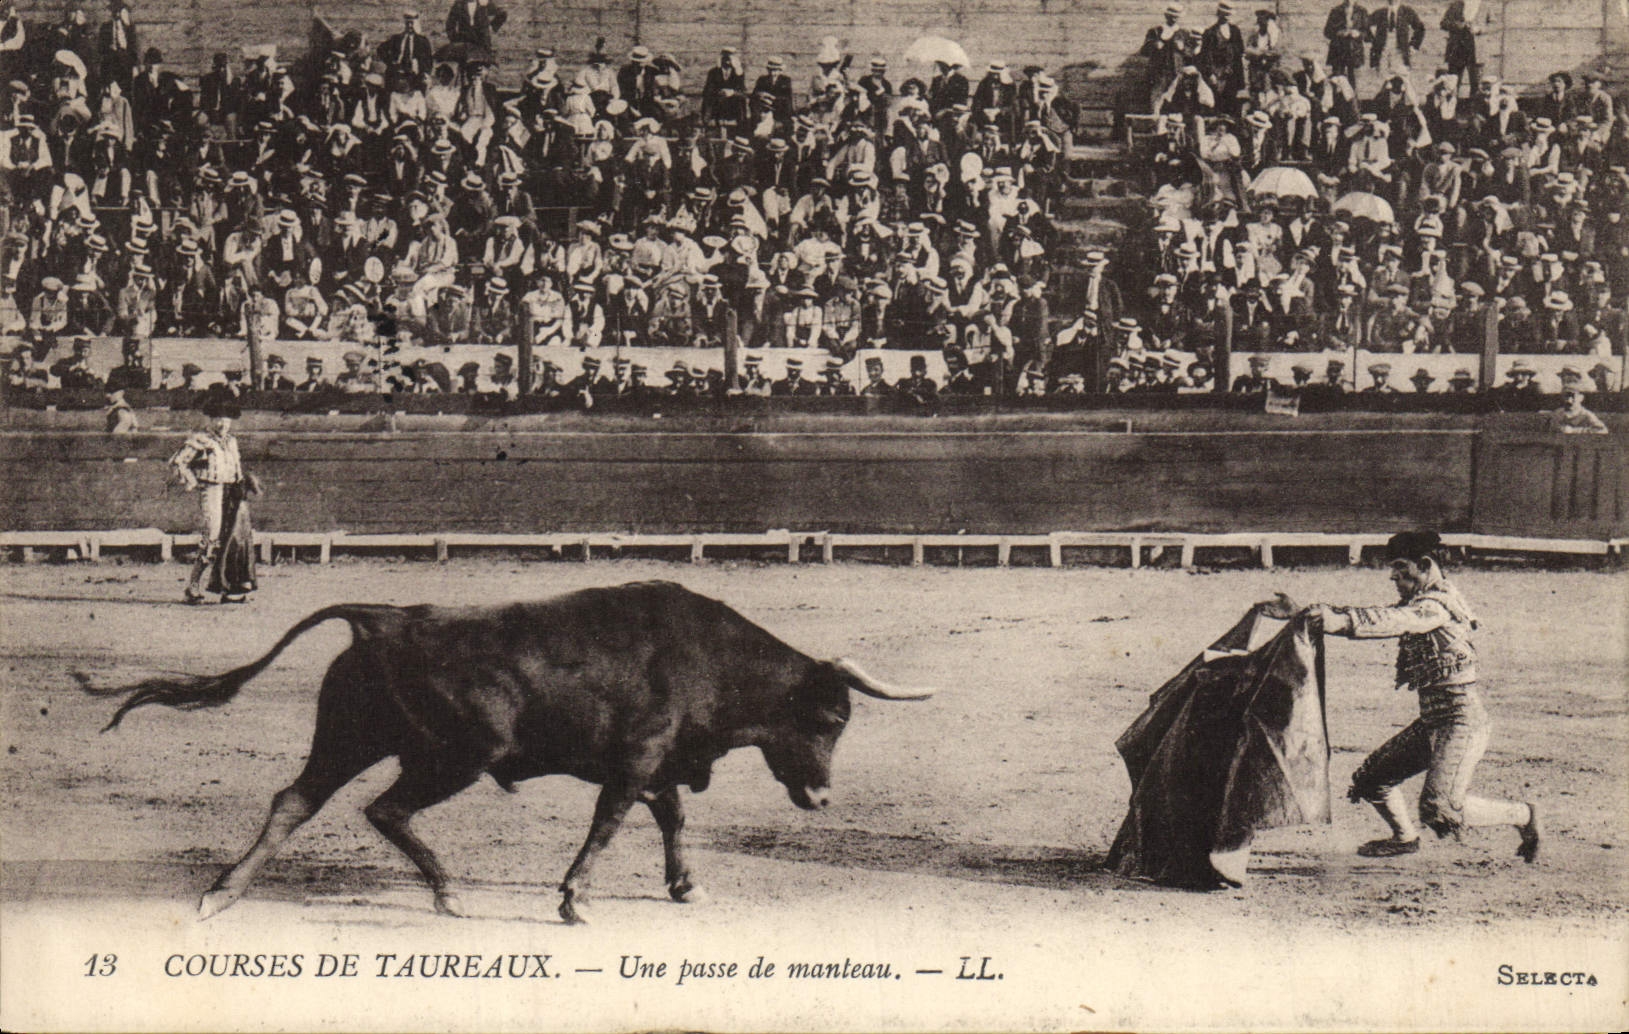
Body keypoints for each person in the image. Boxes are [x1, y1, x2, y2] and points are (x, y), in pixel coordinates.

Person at [1286, 531, 1542, 863]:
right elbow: (1382, 613)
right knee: (1372, 780)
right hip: (1435, 720)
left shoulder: (1436, 605)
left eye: (1399, 566)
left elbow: (1394, 620)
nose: (1393, 575)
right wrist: (1302, 613)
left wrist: (1341, 622)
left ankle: (1524, 815)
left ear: (1424, 565)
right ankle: (1404, 838)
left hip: (1462, 722)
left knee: (1441, 808)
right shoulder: (1424, 602)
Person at [167, 398, 256, 604]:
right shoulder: (201, 440)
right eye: (218, 419)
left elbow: (236, 467)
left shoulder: (231, 441)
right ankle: (193, 587)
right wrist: (194, 482)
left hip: (232, 491)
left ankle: (229, 589)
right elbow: (178, 462)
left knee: (233, 538)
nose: (222, 424)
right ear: (210, 419)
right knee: (212, 537)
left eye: (226, 420)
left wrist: (241, 484)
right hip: (213, 489)